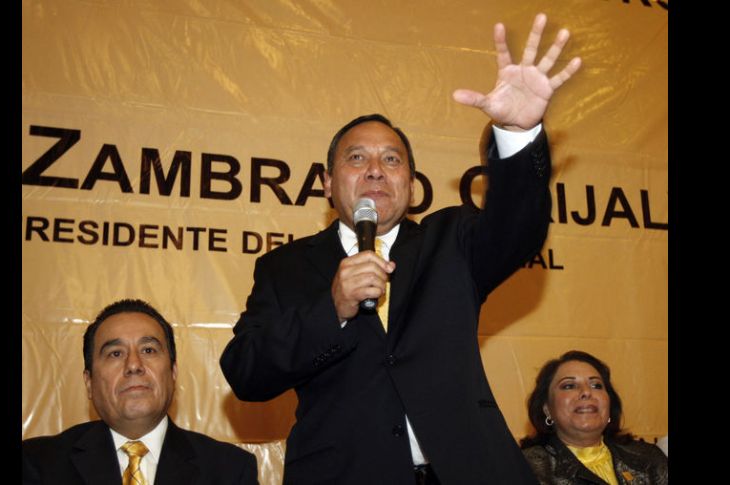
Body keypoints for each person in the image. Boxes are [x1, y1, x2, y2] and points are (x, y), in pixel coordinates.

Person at [220, 13, 581, 485]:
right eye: (356, 158)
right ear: (327, 183)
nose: (375, 169)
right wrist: (333, 308)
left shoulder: (450, 240)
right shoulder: (284, 267)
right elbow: (246, 373)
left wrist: (517, 134)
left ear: (411, 186)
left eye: (391, 160)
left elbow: (519, 227)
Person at [23, 298, 258, 485]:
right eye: (115, 353)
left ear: (173, 372)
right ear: (89, 382)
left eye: (148, 350)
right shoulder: (36, 464)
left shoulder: (229, 470)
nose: (134, 365)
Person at [520, 350, 668, 484]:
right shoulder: (527, 468)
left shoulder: (649, 458)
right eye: (569, 386)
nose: (586, 392)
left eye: (596, 385)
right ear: (547, 409)